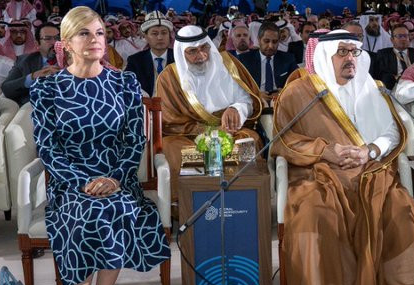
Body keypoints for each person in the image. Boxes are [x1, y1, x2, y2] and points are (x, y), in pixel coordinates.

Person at [273, 29, 414, 285]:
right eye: (342, 52)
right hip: (319, 171)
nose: (350, 58)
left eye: (354, 52)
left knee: (399, 207)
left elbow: (391, 132)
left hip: (369, 169)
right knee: (316, 209)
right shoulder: (299, 93)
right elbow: (284, 139)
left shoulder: (373, 88)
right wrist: (326, 150)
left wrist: (370, 150)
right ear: (325, 56)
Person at [30, 7, 169, 285]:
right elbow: (48, 147)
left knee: (114, 208)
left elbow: (135, 139)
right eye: (84, 33)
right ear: (66, 43)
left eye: (99, 33)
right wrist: (82, 182)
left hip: (117, 178)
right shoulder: (47, 88)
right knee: (86, 212)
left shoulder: (124, 83)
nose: (94, 40)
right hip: (69, 182)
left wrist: (116, 178)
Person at [152, 25, 262, 178]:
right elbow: (171, 121)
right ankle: (190, 193)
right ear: (181, 53)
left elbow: (248, 101)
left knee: (250, 140)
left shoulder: (228, 64)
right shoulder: (169, 78)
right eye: (192, 51)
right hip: (189, 135)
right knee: (171, 146)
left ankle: (244, 190)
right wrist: (210, 132)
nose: (201, 55)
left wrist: (237, 109)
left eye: (204, 48)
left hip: (230, 130)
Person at [238, 22, 296, 106]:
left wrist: (284, 91)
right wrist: (256, 94)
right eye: (266, 41)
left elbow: (297, 82)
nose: (271, 46)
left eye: (275, 42)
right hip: (255, 101)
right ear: (259, 40)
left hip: (281, 101)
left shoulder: (288, 59)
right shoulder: (244, 60)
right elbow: (239, 86)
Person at [2, 22, 61, 104]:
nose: (54, 42)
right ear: (37, 44)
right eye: (48, 38)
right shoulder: (25, 61)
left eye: (57, 38)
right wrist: (33, 76)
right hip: (33, 106)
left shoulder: (72, 59)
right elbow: (7, 89)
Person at [125, 12, 174, 96]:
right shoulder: (135, 61)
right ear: (146, 37)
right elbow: (127, 86)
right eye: (154, 33)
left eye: (164, 33)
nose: (160, 37)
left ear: (169, 35)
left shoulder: (179, 58)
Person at [370, 22, 414, 90]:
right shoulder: (383, 54)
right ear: (392, 40)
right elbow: (382, 75)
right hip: (392, 89)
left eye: (405, 36)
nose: (403, 39)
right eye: (399, 36)